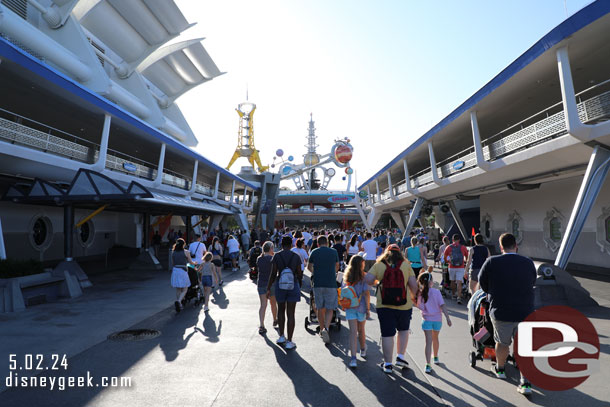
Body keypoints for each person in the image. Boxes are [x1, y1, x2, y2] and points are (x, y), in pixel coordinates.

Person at [478, 233, 536, 395]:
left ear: (501, 246)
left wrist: (494, 291)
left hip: (501, 310)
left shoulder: (492, 262)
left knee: (502, 342)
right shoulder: (527, 262)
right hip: (525, 311)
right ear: (516, 245)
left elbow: (483, 283)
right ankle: (525, 382)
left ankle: (500, 369)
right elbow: (532, 282)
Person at [365, 244, 418, 374]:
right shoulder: (406, 265)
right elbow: (413, 285)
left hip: (384, 305)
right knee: (403, 330)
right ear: (399, 253)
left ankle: (388, 364)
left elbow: (368, 280)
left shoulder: (379, 264)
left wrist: (379, 282)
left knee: (387, 334)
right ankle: (400, 357)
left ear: (386, 252)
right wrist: (413, 298)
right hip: (404, 305)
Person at [267, 235, 302, 349]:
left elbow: (273, 273)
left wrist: (268, 288)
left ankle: (281, 336)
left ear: (281, 245)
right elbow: (300, 273)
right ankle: (290, 341)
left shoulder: (277, 256)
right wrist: (299, 283)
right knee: (291, 313)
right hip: (293, 285)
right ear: (291, 245)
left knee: (281, 310)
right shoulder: (296, 256)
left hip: (280, 286)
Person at [415, 272, 452, 374]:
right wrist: (448, 318)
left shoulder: (421, 293)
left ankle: (428, 364)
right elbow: (443, 305)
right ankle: (435, 357)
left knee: (428, 342)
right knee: (435, 338)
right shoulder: (437, 292)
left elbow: (420, 307)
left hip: (426, 320)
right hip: (437, 320)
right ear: (431, 282)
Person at [307, 235, 340, 344]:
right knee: (330, 308)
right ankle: (326, 327)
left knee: (320, 307)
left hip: (318, 282)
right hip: (331, 282)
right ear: (327, 242)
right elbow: (337, 266)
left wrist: (315, 272)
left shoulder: (314, 252)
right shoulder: (334, 252)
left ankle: (321, 329)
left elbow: (309, 267)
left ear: (317, 243)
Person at [342, 255, 371, 368]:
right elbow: (367, 294)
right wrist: (368, 309)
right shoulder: (365, 277)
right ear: (361, 264)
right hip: (361, 307)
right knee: (361, 330)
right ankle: (363, 349)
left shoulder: (347, 276)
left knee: (353, 333)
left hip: (350, 307)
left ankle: (353, 358)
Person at [170, 238, 196, 312]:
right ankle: (179, 301)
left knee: (178, 288)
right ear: (183, 244)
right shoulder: (186, 252)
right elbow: (191, 262)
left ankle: (180, 304)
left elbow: (173, 263)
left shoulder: (173, 252)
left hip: (175, 270)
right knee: (185, 288)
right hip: (183, 271)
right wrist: (195, 263)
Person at [257, 242, 278, 334]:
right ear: (270, 249)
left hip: (261, 283)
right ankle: (275, 319)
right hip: (271, 283)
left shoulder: (259, 259)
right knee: (273, 303)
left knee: (263, 305)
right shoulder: (273, 259)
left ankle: (261, 324)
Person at [443, 234, 469, 304]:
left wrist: (448, 262)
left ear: (452, 240)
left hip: (451, 266)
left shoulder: (448, 247)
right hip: (460, 267)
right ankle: (459, 297)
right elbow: (467, 256)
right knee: (459, 282)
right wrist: (465, 262)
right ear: (459, 240)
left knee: (452, 281)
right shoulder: (463, 247)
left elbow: (444, 257)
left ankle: (453, 294)